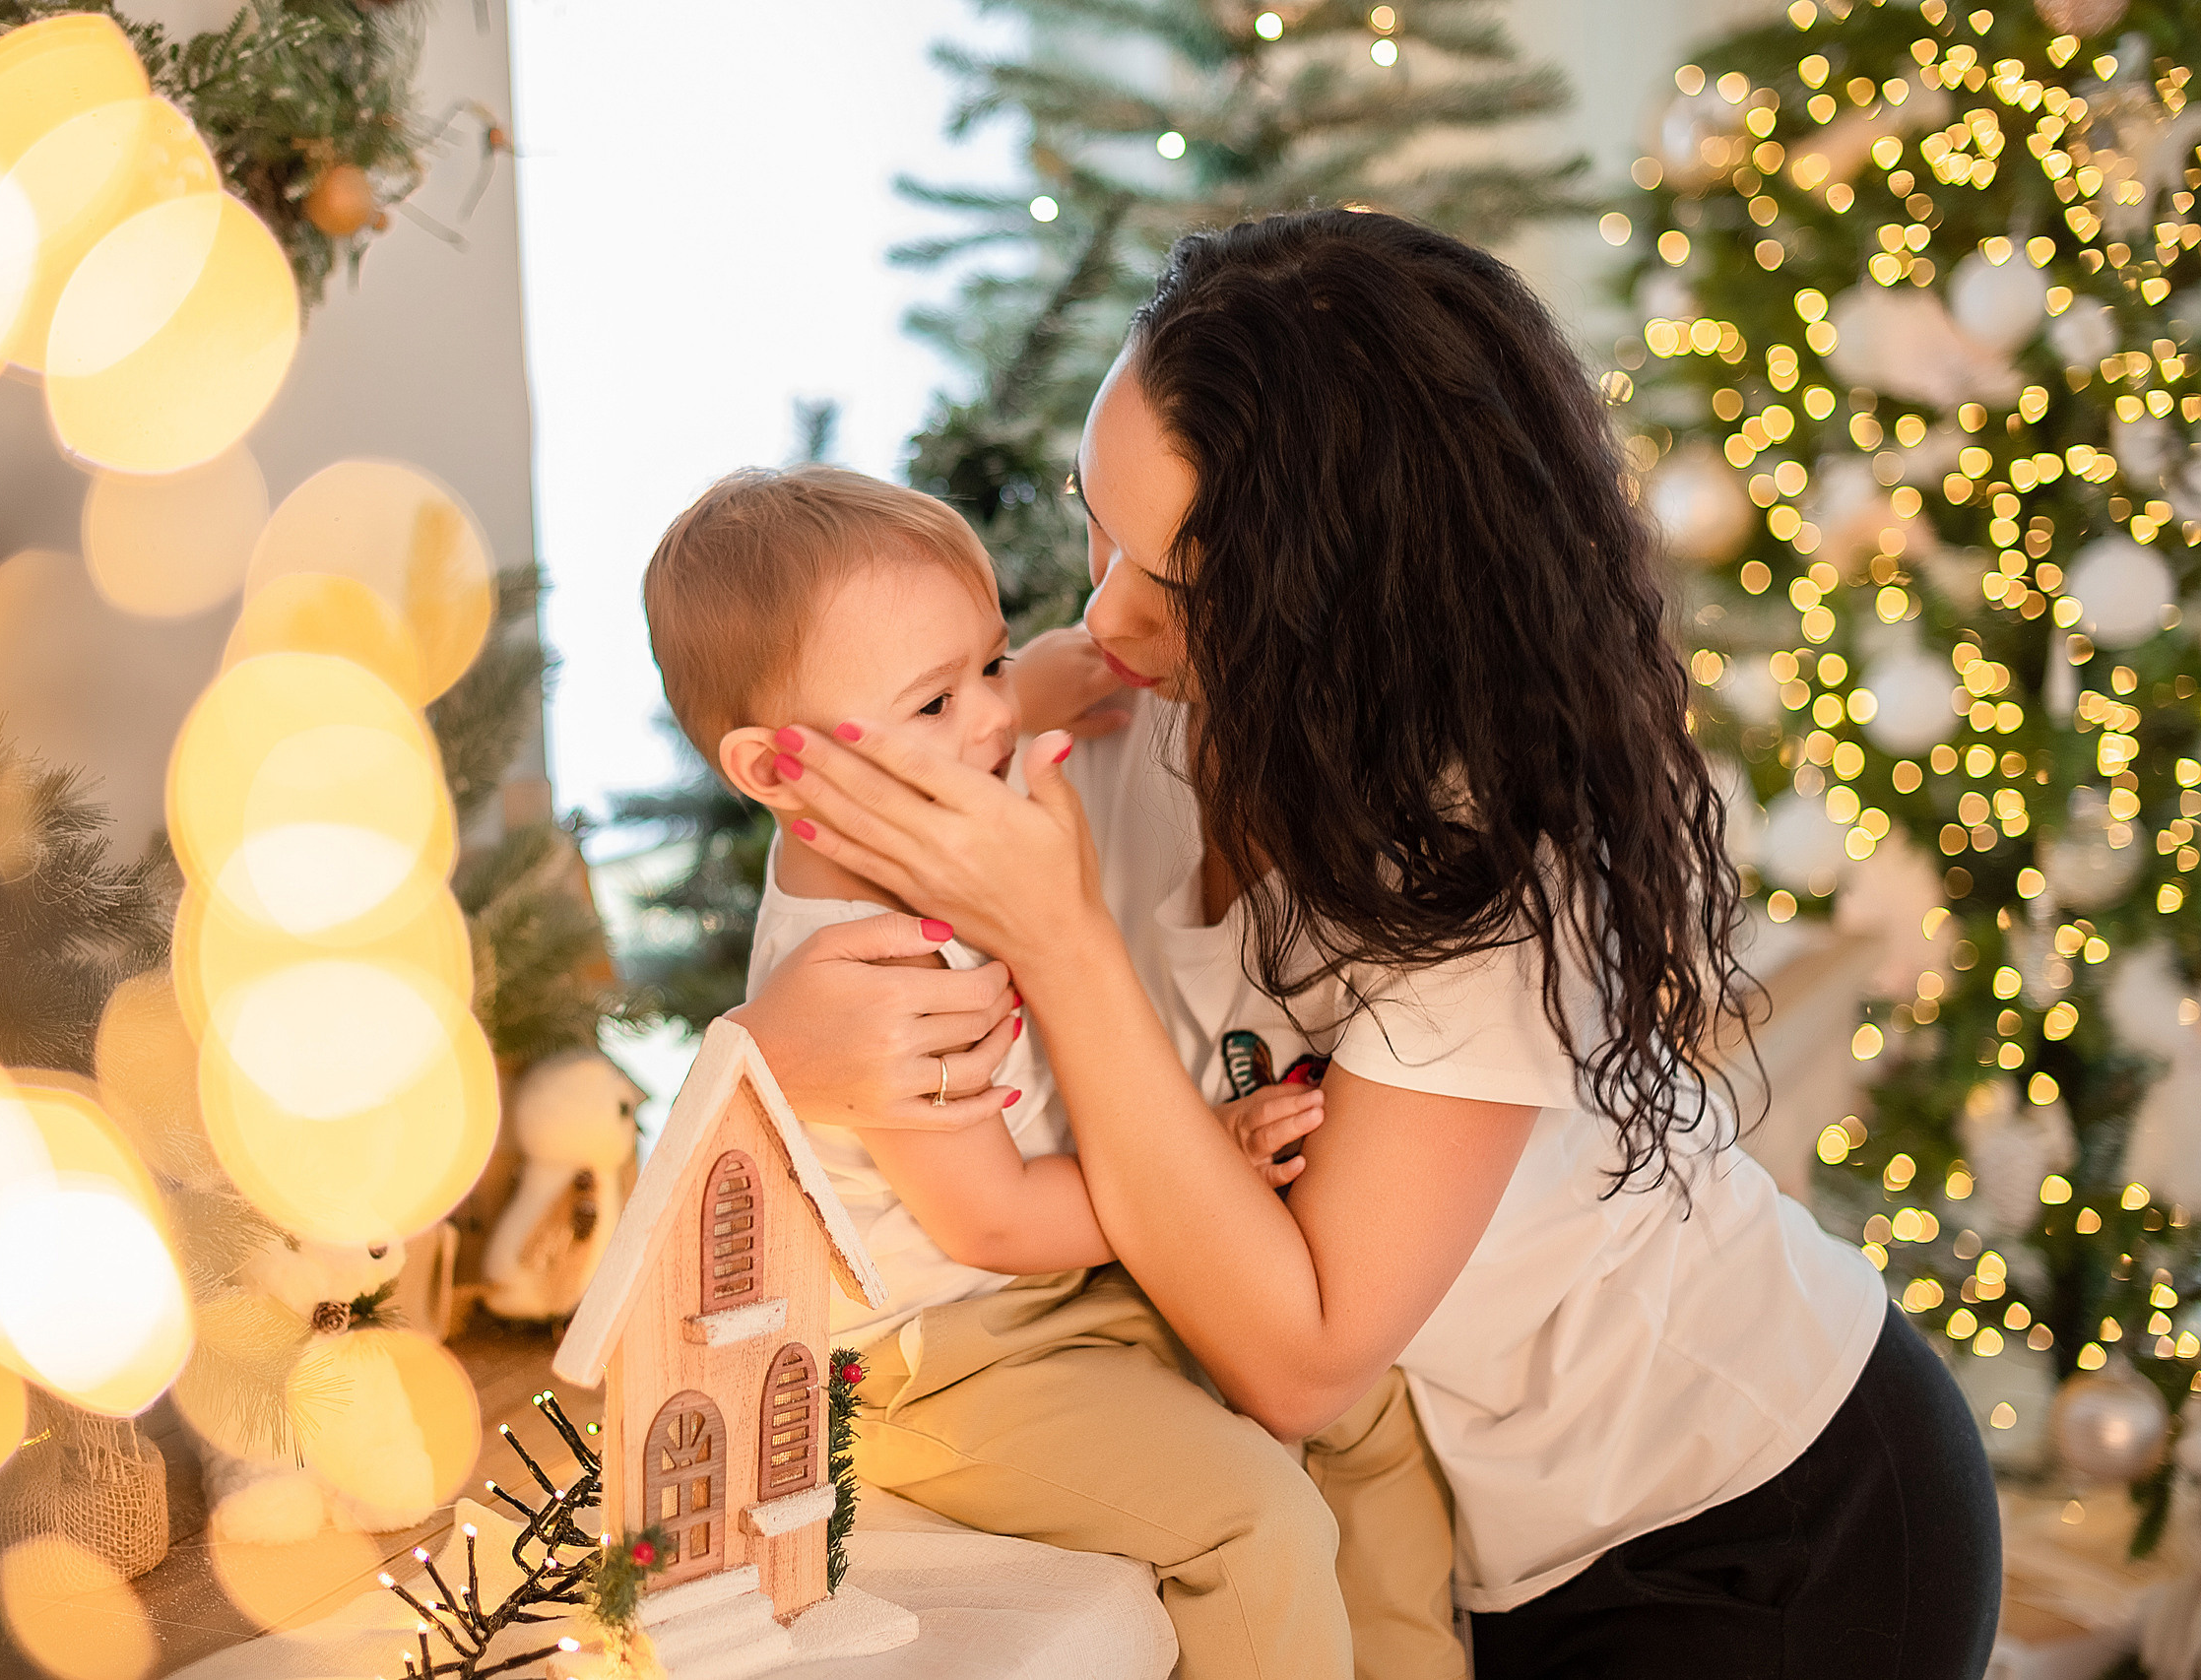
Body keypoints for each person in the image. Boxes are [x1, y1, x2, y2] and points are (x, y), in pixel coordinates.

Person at [731, 211, 2004, 1678]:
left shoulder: (1487, 864)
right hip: (1473, 1548)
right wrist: (773, 1042)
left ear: (1342, 608)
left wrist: (1062, 939)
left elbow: (1301, 1351)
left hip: (1750, 1524)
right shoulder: (1125, 703)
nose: (1101, 613)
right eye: (1097, 526)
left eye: (1179, 588)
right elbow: (836, 893)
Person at [641, 463, 1465, 1679]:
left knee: (1374, 1412)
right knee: (1255, 1514)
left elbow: (996, 693)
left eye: (983, 663)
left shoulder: (927, 795)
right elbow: (996, 1216)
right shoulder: (878, 980)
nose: (985, 721)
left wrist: (1054, 669)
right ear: (775, 773)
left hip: (1061, 1295)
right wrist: (1208, 1148)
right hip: (946, 1358)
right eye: (936, 702)